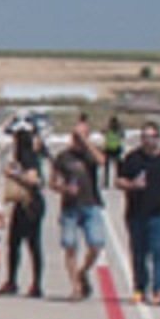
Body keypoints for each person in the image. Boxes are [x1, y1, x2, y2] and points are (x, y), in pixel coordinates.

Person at [115, 122, 160, 305]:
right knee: (139, 253)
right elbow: (119, 181)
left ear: (158, 138)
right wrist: (131, 185)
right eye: (144, 137)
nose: (148, 140)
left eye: (151, 137)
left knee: (159, 251)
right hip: (137, 214)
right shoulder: (132, 159)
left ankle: (159, 288)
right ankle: (139, 288)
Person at [51, 122, 109, 300]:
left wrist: (86, 143)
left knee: (96, 243)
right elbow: (53, 181)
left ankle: (83, 271)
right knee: (70, 245)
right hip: (70, 206)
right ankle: (75, 287)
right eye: (76, 135)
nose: (78, 139)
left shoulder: (90, 154)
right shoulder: (63, 157)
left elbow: (102, 161)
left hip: (91, 203)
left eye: (82, 135)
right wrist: (64, 188)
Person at [0, 125, 47, 298]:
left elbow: (34, 180)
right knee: (19, 243)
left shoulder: (27, 158)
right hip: (27, 203)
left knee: (26, 243)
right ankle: (22, 281)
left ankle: (28, 283)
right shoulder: (29, 157)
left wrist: (12, 175)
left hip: (30, 204)